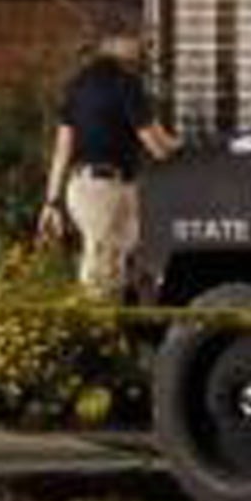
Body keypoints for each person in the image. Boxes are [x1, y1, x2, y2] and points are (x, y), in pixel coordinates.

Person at [35, 31, 178, 301]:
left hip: (85, 188)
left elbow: (62, 148)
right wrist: (183, 148)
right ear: (113, 45)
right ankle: (95, 336)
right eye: (133, 38)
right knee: (104, 270)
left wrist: (51, 201)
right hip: (107, 190)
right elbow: (157, 145)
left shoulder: (78, 84)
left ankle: (110, 332)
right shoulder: (126, 84)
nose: (142, 45)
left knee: (110, 265)